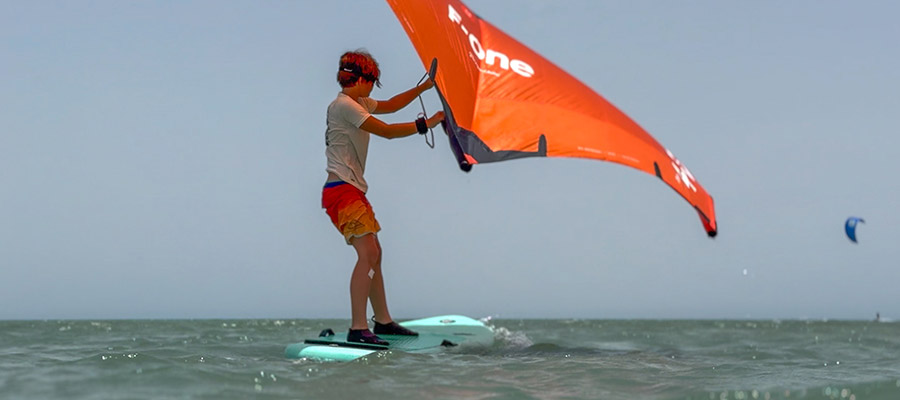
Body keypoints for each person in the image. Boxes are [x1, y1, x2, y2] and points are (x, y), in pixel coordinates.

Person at [322, 50, 444, 345]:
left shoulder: (358, 102)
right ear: (362, 79)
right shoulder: (344, 106)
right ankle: (358, 327)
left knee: (375, 253)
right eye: (372, 82)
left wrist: (423, 88)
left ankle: (384, 321)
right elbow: (386, 131)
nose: (373, 89)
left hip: (350, 190)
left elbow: (389, 106)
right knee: (368, 255)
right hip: (342, 191)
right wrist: (426, 124)